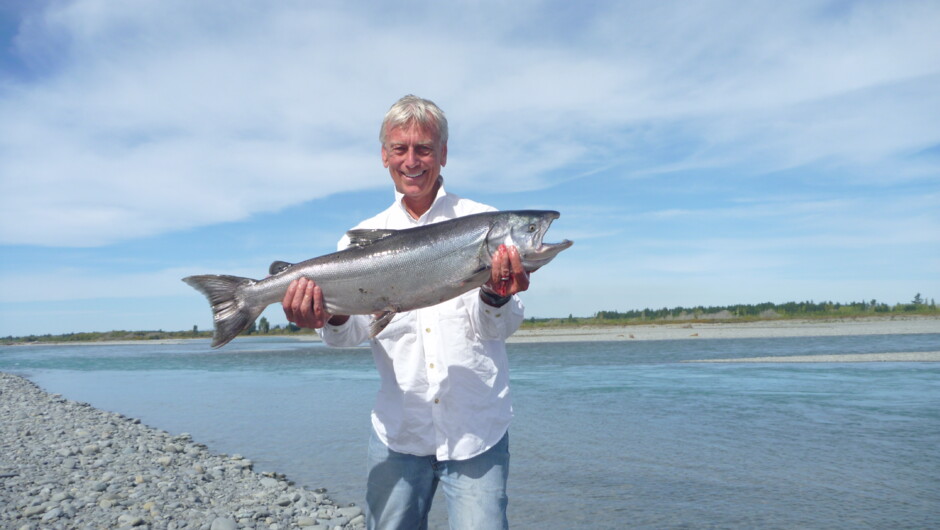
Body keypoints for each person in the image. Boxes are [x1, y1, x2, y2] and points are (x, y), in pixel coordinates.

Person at [281, 95, 531, 530]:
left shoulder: (485, 222)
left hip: (476, 433)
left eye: (424, 148)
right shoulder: (357, 240)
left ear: (444, 154)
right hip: (399, 435)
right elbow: (350, 334)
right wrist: (329, 316)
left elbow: (502, 327)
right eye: (400, 148)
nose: (412, 160)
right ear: (384, 156)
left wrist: (496, 297)